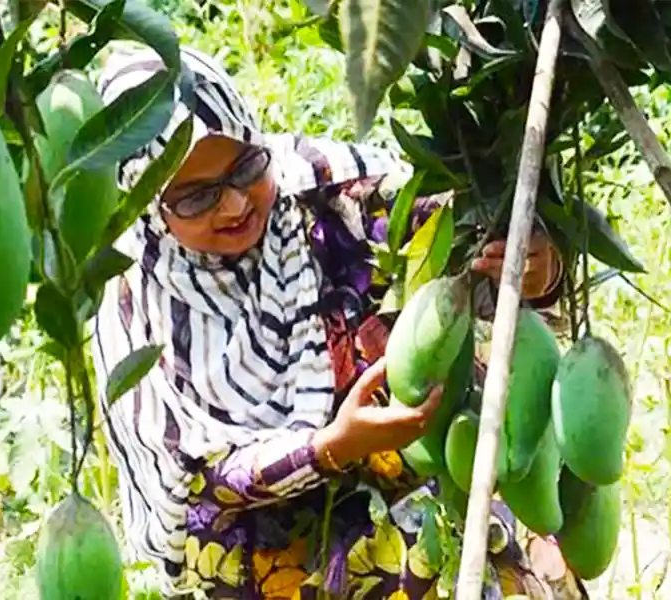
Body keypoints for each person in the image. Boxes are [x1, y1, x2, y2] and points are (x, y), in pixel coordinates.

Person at [90, 43, 584, 600]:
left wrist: (533, 266)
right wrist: (329, 447)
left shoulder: (324, 192)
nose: (233, 206)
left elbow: (464, 245)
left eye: (245, 168)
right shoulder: (138, 304)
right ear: (150, 204)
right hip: (272, 549)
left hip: (418, 482)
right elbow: (195, 475)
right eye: (196, 198)